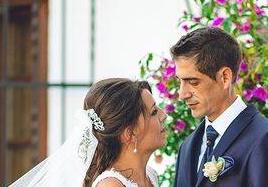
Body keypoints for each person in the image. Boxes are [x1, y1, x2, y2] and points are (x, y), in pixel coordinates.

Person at [170, 27, 268, 186]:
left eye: (193, 82)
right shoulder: (187, 146)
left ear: (225, 77)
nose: (182, 94)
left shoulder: (264, 139)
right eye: (180, 81)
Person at [9, 78, 167, 187]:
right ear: (130, 133)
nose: (163, 115)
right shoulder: (110, 185)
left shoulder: (150, 176)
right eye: (153, 112)